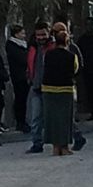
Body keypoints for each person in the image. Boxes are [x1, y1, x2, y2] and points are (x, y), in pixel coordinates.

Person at [42, 29, 79, 156]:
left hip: (48, 89)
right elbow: (75, 69)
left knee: (52, 118)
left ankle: (55, 147)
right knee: (65, 119)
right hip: (65, 90)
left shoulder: (48, 54)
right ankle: (64, 146)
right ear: (67, 42)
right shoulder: (71, 56)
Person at [52, 22, 87, 151]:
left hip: (68, 86)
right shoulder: (53, 49)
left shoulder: (72, 49)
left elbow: (79, 66)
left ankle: (76, 137)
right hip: (56, 86)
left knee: (67, 116)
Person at [26, 21, 55, 153]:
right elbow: (30, 64)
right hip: (36, 86)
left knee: (54, 116)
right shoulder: (33, 47)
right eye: (38, 35)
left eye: (43, 34)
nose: (41, 37)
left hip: (50, 86)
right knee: (36, 117)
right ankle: (37, 143)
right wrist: (30, 77)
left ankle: (66, 139)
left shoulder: (53, 47)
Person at [6, 25, 31, 133]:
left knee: (23, 99)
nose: (24, 36)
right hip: (18, 76)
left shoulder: (23, 45)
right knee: (20, 99)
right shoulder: (12, 45)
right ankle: (20, 121)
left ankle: (23, 120)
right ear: (16, 34)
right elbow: (22, 59)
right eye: (22, 33)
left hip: (24, 76)